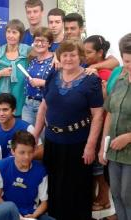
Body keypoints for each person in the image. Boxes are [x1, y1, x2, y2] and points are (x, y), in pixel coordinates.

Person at [34, 39, 103, 220]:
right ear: (59, 56)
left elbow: (97, 115)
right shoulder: (52, 74)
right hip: (53, 142)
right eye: (65, 55)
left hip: (78, 144)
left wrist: (91, 145)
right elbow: (43, 107)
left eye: (73, 55)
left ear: (80, 56)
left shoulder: (91, 80)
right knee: (55, 185)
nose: (68, 58)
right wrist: (35, 134)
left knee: (77, 187)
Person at [99, 33, 131, 220]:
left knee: (128, 196)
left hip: (128, 149)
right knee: (116, 194)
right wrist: (104, 144)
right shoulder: (118, 78)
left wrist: (128, 137)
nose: (129, 66)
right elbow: (109, 111)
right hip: (113, 149)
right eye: (126, 61)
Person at [0, 130, 55, 220]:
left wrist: (33, 216)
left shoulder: (41, 171)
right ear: (13, 151)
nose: (27, 157)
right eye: (22, 152)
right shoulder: (1, 166)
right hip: (7, 212)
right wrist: (16, 216)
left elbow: (44, 203)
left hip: (30, 214)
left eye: (30, 152)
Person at [84, 35, 112, 211]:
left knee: (99, 164)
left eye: (89, 52)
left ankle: (104, 198)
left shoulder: (106, 74)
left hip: (102, 123)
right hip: (89, 122)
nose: (85, 55)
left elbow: (107, 103)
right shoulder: (87, 68)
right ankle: (95, 195)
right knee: (92, 163)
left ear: (100, 53)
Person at [0, 19, 31, 117]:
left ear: (21, 35)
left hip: (24, 103)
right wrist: (0, 73)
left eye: (14, 32)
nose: (10, 35)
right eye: (8, 32)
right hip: (3, 105)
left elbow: (45, 55)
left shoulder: (28, 51)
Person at [0, 93, 43, 163]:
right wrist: (1, 166)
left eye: (5, 110)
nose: (1, 114)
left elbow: (41, 151)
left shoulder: (27, 128)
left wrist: (21, 158)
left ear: (14, 110)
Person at [22, 27, 53, 126]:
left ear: (50, 44)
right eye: (37, 40)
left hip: (45, 105)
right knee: (27, 138)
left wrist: (43, 83)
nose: (39, 44)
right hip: (28, 105)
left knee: (42, 138)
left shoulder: (55, 61)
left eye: (43, 41)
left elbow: (61, 84)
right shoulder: (33, 60)